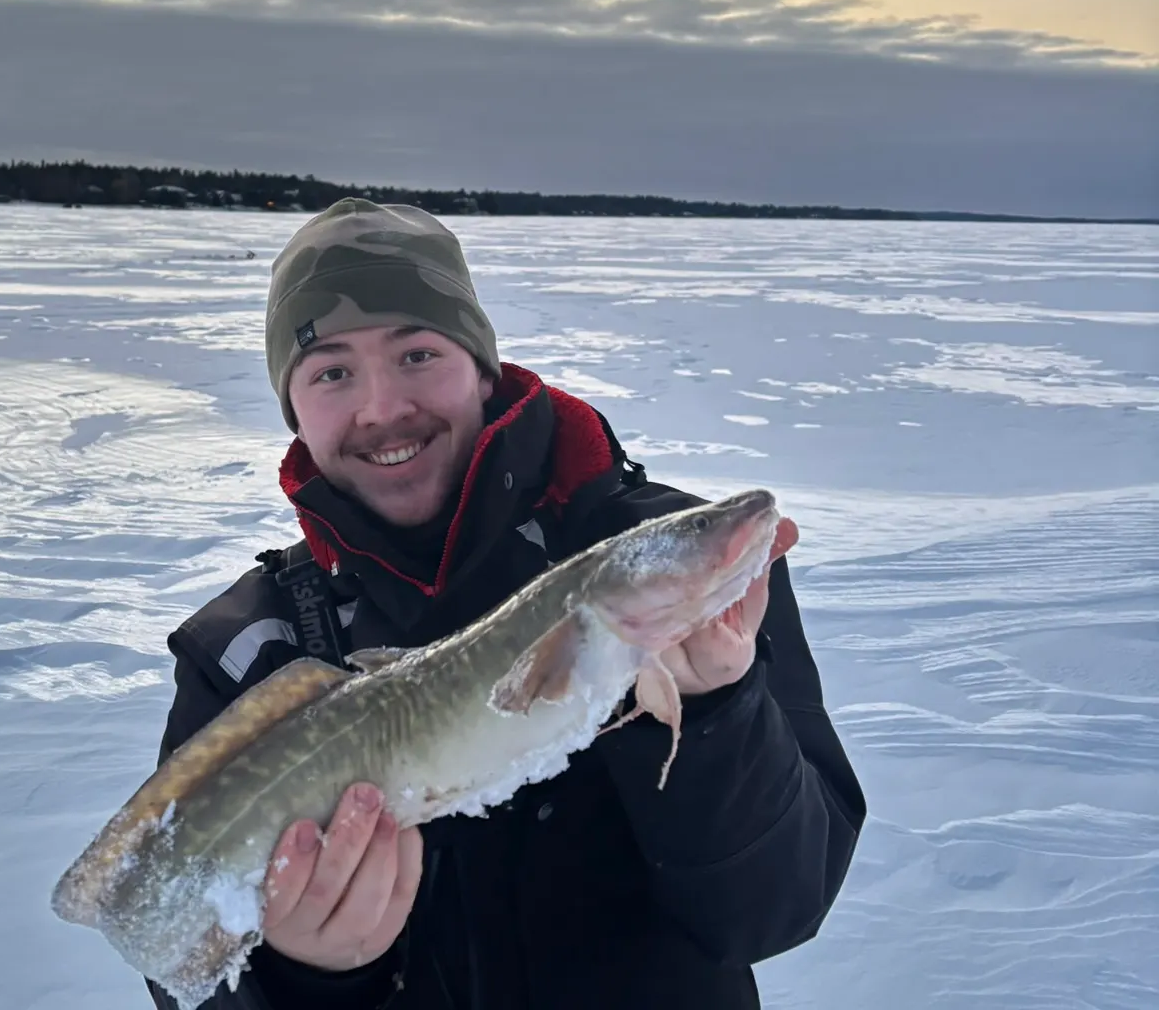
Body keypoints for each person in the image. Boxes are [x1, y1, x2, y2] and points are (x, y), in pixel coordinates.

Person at [146, 199, 864, 1009]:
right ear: (295, 409)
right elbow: (180, 957)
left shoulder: (681, 575)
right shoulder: (249, 648)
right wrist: (308, 978)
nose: (382, 408)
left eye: (418, 353)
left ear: (482, 370)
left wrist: (717, 714)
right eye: (333, 372)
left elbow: (776, 910)